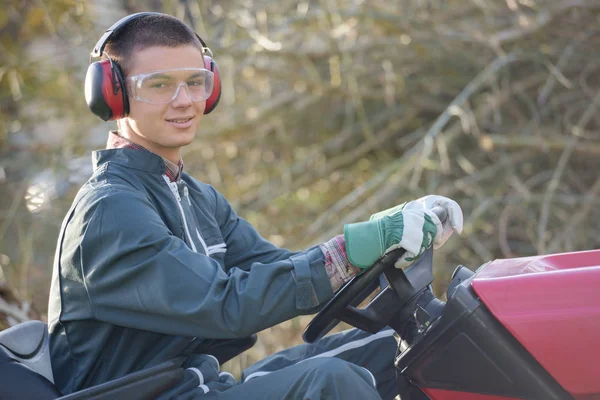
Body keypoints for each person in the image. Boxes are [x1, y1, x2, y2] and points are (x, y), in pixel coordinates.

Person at [47, 12, 464, 400]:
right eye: (159, 85)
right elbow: (226, 305)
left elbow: (285, 271)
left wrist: (387, 236)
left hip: (201, 385)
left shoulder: (195, 197)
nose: (184, 100)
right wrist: (351, 249)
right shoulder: (109, 210)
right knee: (330, 384)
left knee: (404, 349)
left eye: (195, 82)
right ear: (113, 95)